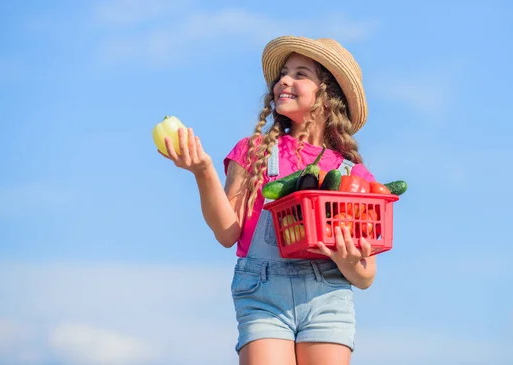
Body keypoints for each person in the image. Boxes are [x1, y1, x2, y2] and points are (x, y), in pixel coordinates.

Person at [160, 36, 378, 365]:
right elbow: (226, 233)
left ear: (327, 95)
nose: (284, 81)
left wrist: (349, 262)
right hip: (264, 296)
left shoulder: (353, 175)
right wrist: (203, 171)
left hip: (328, 298)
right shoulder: (255, 152)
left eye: (301, 74)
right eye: (283, 74)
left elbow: (366, 275)